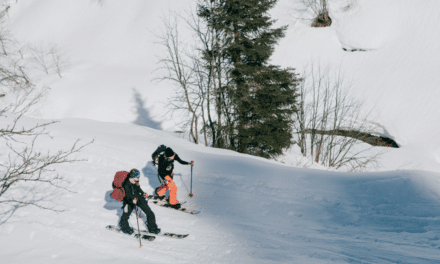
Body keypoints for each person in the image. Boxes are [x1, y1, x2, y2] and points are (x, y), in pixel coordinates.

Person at [119, 169, 160, 234]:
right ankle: (124, 227)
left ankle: (152, 228)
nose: (138, 178)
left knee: (150, 213)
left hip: (138, 198)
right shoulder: (126, 184)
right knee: (126, 215)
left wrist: (143, 193)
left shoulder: (135, 181)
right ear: (133, 177)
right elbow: (128, 194)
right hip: (129, 201)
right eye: (137, 177)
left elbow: (138, 188)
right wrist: (132, 199)